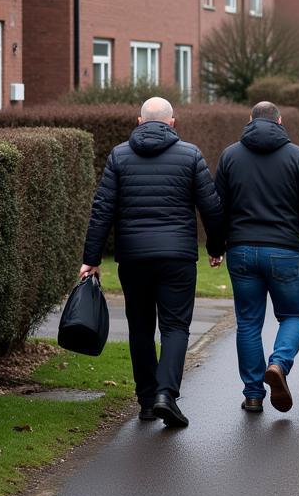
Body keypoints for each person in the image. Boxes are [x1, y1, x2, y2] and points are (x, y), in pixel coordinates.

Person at [80, 97, 224, 429]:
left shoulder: (119, 155)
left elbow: (103, 209)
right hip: (177, 257)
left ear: (139, 121)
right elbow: (211, 207)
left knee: (141, 327)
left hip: (134, 258)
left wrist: (91, 259)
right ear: (172, 123)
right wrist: (217, 247)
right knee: (175, 327)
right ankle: (165, 394)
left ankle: (147, 401)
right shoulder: (190, 155)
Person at [214, 102, 299, 414]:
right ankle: (278, 363)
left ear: (249, 120)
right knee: (294, 316)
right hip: (284, 251)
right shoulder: (296, 156)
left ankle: (253, 394)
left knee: (248, 322)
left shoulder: (230, 156)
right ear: (280, 121)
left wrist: (215, 247)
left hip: (240, 249)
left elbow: (217, 208)